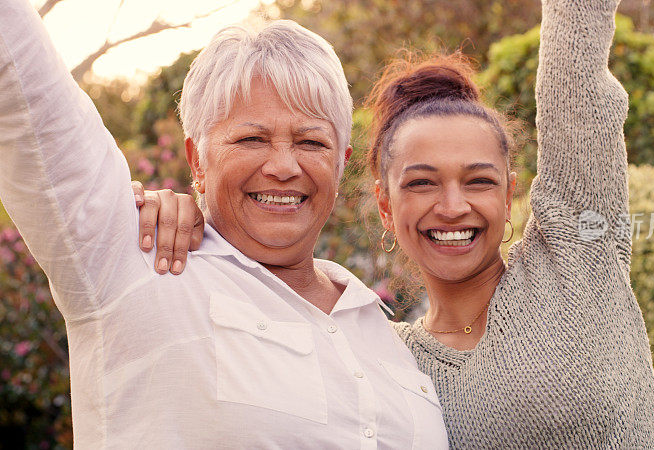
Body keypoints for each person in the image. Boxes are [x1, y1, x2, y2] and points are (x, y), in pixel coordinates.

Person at [142, 0, 654, 447]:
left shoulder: (575, 257)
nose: (452, 207)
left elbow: (577, 74)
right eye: (422, 183)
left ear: (509, 192)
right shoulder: (384, 356)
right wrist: (194, 211)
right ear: (385, 205)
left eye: (478, 181)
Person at [0, 0, 448, 447]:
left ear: (340, 164)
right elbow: (24, 85)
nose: (284, 165)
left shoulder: (393, 339)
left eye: (311, 141)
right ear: (196, 158)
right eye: (251, 138)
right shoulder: (133, 261)